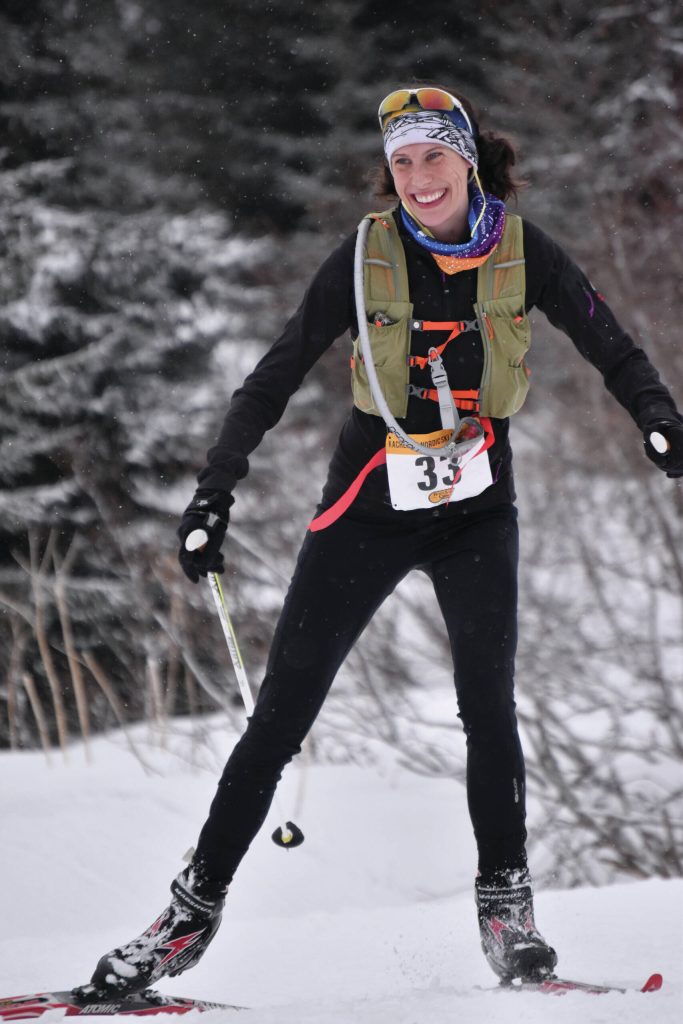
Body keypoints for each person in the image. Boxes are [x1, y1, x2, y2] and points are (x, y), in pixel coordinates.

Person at [90, 85, 683, 994]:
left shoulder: (523, 251)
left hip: (477, 508)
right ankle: (186, 918)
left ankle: (507, 914)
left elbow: (610, 341)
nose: (416, 178)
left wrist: (656, 417)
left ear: (467, 159)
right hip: (366, 507)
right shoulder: (365, 255)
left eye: (432, 157)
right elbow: (275, 372)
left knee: (488, 708)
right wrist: (215, 491)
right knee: (279, 718)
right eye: (401, 163)